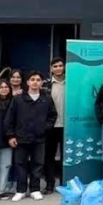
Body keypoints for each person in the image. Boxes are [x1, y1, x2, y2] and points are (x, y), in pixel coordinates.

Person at [5, 71, 58, 202]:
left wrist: (45, 127)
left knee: (38, 164)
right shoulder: (18, 99)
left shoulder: (46, 98)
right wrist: (11, 136)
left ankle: (35, 189)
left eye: (38, 80)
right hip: (21, 137)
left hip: (39, 137)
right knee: (20, 164)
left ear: (41, 83)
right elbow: (9, 118)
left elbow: (53, 115)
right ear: (27, 82)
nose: (35, 82)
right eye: (32, 79)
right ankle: (21, 190)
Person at [42, 57, 65, 194]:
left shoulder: (71, 82)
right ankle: (50, 184)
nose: (58, 68)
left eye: (60, 65)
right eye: (55, 66)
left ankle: (64, 183)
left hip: (67, 126)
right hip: (51, 126)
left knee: (65, 156)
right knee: (48, 156)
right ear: (51, 68)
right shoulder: (46, 85)